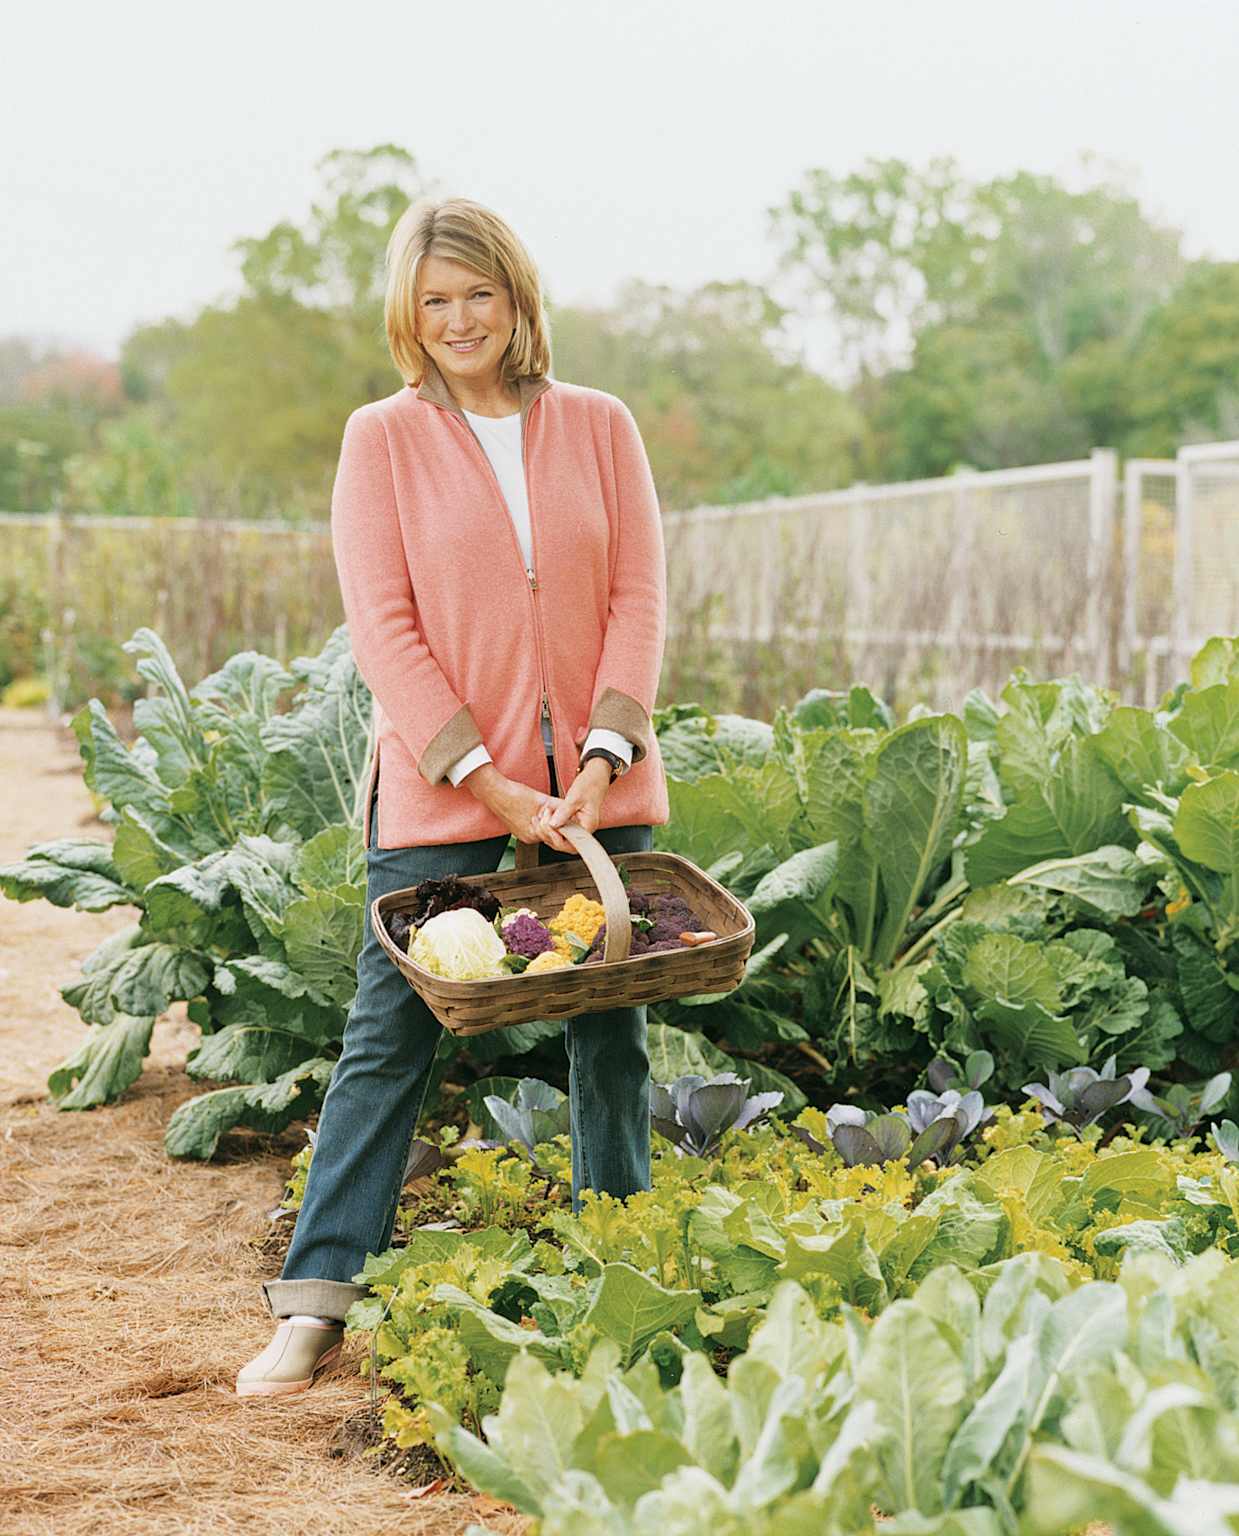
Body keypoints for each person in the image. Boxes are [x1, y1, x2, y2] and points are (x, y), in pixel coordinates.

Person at [236, 196, 670, 1397]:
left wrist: (598, 762)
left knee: (612, 1037)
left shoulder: (600, 425)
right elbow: (383, 626)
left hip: (596, 793)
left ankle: (617, 1270)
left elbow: (638, 597)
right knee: (388, 1040)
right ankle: (316, 1303)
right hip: (446, 798)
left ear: (517, 298)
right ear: (408, 315)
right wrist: (486, 778)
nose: (460, 319)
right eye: (436, 300)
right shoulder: (381, 438)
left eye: (479, 293)